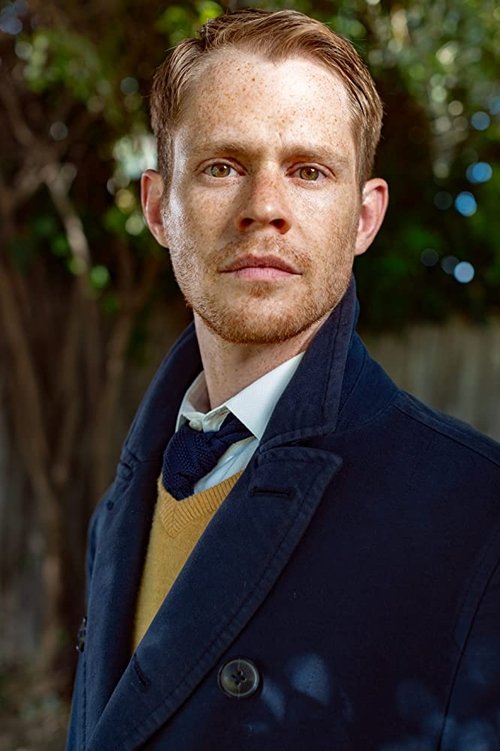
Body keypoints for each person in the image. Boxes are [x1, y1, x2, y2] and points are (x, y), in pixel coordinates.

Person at [66, 9, 500, 751]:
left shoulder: (478, 517)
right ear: (158, 208)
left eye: (308, 171)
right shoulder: (120, 510)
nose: (264, 208)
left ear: (364, 218)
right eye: (222, 166)